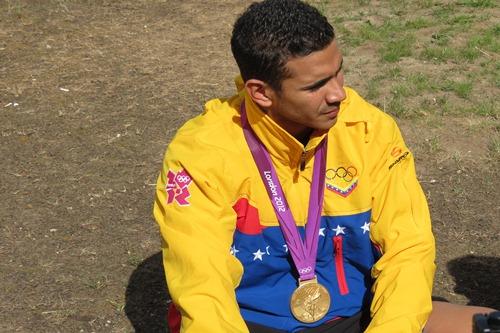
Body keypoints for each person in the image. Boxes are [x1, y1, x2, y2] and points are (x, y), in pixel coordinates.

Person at [153, 1, 496, 332]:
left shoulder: (369, 130)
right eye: (316, 85)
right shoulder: (201, 153)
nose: (339, 95)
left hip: (361, 314)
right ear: (261, 93)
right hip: (252, 323)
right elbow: (202, 288)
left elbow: (408, 248)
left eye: (338, 72)